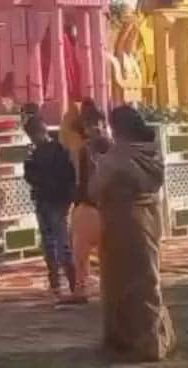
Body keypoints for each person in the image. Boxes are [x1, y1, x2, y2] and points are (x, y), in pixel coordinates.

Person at [96, 105, 177, 362]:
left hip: (122, 222)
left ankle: (137, 341)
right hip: (150, 218)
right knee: (148, 280)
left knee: (120, 283)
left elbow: (94, 188)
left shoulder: (118, 156)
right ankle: (157, 336)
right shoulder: (152, 151)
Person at [21, 114, 77, 299]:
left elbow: (32, 176)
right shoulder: (51, 150)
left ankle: (67, 283)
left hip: (52, 200)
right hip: (50, 200)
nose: (34, 138)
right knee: (52, 242)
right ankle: (61, 283)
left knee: (58, 243)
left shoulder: (52, 151)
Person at [67, 108, 110, 306]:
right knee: (108, 254)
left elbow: (80, 179)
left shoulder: (85, 149)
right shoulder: (113, 147)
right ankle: (110, 290)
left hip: (88, 206)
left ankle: (81, 290)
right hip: (110, 208)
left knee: (81, 255)